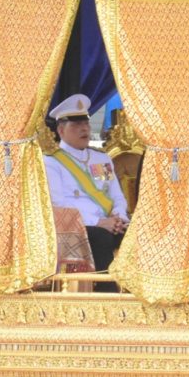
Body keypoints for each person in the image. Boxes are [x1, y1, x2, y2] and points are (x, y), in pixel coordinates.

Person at [44, 94, 129, 291]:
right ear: (61, 130)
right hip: (79, 227)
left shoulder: (101, 159)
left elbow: (116, 195)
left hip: (111, 222)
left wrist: (119, 216)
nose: (84, 129)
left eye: (86, 123)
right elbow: (60, 204)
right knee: (101, 237)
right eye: (76, 125)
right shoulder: (52, 162)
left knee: (138, 232)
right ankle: (104, 297)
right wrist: (100, 222)